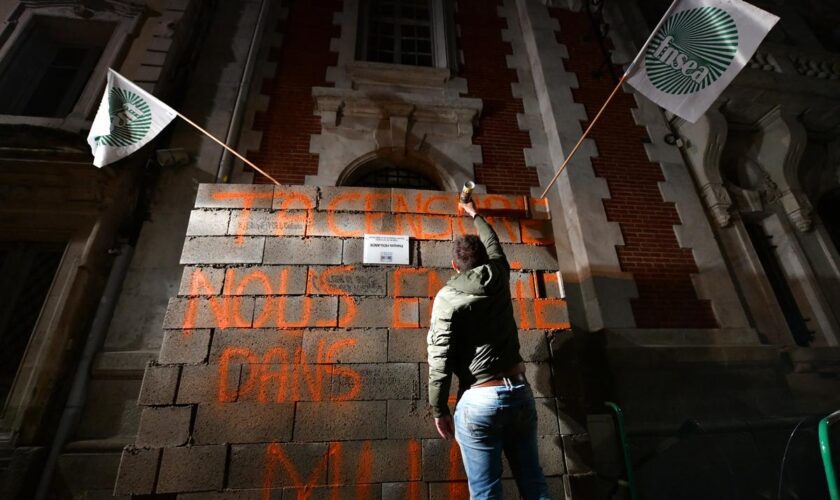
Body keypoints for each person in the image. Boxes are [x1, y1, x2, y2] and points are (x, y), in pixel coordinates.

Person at [427, 200, 551, 499]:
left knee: (485, 492)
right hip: (519, 392)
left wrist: (439, 408)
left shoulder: (447, 297)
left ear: (455, 266)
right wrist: (474, 213)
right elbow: (493, 242)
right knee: (534, 484)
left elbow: (439, 359)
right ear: (485, 258)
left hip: (480, 398)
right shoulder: (499, 271)